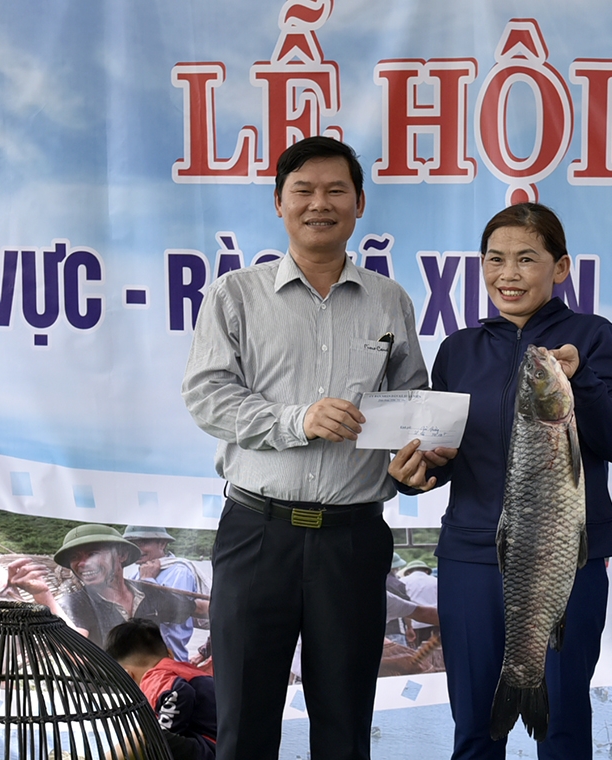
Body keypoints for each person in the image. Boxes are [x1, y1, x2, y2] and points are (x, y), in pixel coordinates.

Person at [181, 135, 431, 760]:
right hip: (256, 532)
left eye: (335, 191)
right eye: (304, 190)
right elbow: (207, 396)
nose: (320, 204)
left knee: (344, 726)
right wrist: (299, 419)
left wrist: (414, 461)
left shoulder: (389, 301)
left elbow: (411, 407)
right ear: (279, 203)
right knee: (244, 723)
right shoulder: (234, 295)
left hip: (353, 539)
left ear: (359, 204)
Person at [389, 202, 612, 759]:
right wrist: (414, 476)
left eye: (527, 259)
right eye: (495, 260)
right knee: (476, 723)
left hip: (566, 555)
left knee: (564, 719)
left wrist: (583, 378)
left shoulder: (593, 338)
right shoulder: (458, 349)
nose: (509, 274)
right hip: (472, 555)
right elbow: (444, 454)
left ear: (561, 267)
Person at [7, 524, 205, 650]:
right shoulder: (74, 603)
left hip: (152, 697)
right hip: (103, 700)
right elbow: (77, 655)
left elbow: (200, 609)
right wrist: (43, 595)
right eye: (75, 557)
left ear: (122, 556)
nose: (83, 563)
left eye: (93, 553)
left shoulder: (148, 592)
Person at [106, 618, 218, 760]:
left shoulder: (154, 675)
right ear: (170, 653)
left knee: (146, 736)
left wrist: (161, 733)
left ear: (128, 676)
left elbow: (180, 692)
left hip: (210, 750)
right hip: (226, 745)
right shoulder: (182, 670)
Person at [122, 525, 203, 662]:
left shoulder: (179, 571)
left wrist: (148, 580)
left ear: (162, 543)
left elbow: (173, 613)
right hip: (140, 658)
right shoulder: (135, 574)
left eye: (142, 543)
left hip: (169, 659)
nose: (136, 548)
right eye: (132, 544)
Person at [401, 559, 439, 644]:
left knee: (418, 654)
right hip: (436, 621)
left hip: (415, 623)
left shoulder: (403, 582)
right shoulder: (436, 581)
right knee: (437, 651)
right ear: (426, 571)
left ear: (408, 572)